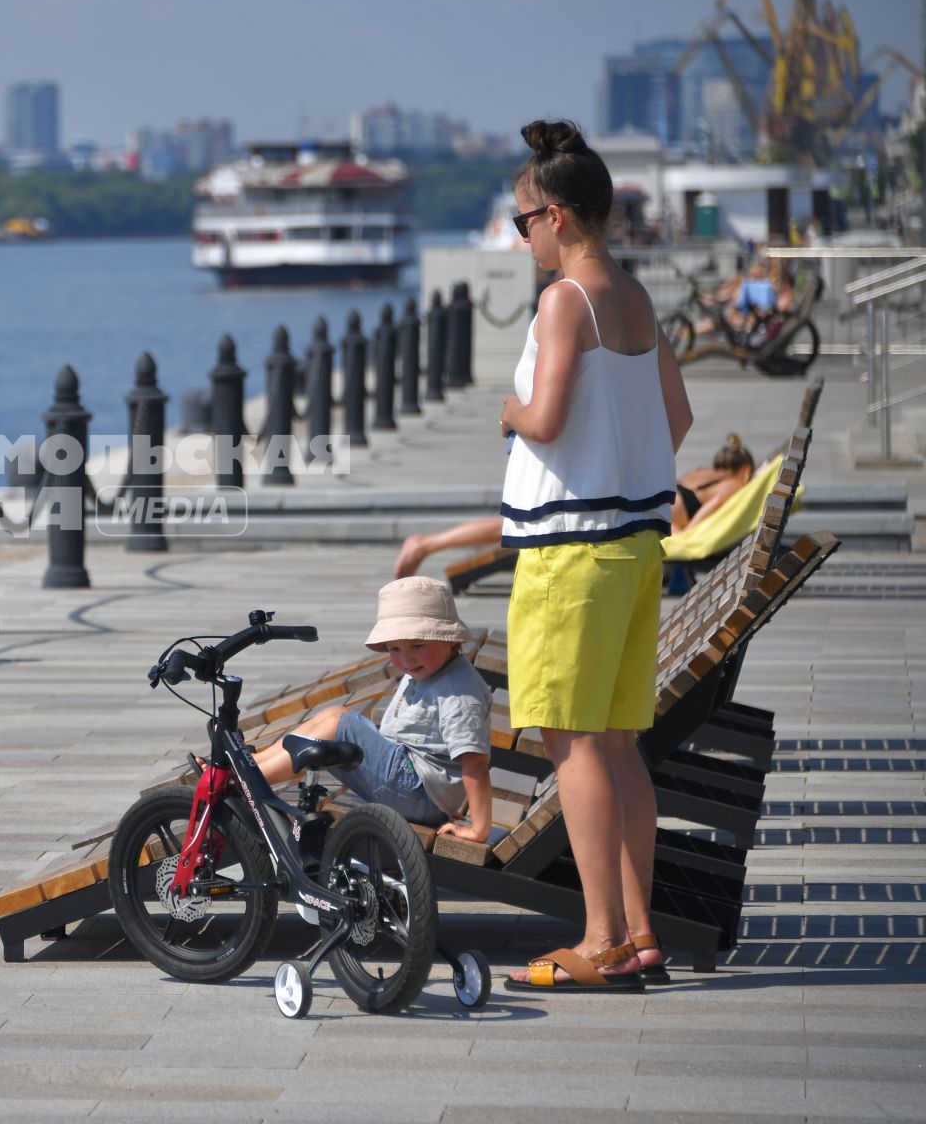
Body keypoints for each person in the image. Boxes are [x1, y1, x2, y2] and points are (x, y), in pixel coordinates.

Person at [498, 120, 693, 993]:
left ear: (560, 216)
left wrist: (508, 410)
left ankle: (601, 938)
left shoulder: (564, 302)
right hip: (633, 548)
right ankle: (642, 932)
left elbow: (542, 420)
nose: (522, 236)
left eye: (523, 220)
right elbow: (677, 419)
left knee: (571, 743)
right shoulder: (637, 299)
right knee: (618, 745)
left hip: (570, 554)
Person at [252, 577, 493, 843]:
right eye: (394, 648)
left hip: (418, 794)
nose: (406, 658)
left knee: (339, 728)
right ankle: (250, 767)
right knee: (334, 716)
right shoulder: (431, 671)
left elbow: (476, 762)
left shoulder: (458, 692)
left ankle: (248, 781)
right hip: (415, 788)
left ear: (448, 638)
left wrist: (478, 829)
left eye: (417, 645)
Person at [390, 433, 755, 577]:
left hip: (624, 494)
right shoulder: (730, 487)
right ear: (746, 470)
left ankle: (430, 543)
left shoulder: (702, 472)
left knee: (516, 523)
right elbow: (691, 529)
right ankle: (427, 543)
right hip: (627, 512)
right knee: (516, 526)